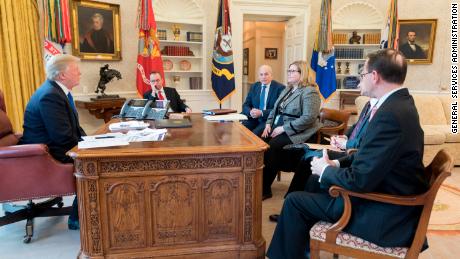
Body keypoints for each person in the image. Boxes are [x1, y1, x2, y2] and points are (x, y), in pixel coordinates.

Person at [267, 49, 429, 259]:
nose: (361, 79)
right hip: (383, 191)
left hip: (384, 213)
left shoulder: (390, 115)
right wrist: (335, 166)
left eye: (362, 74)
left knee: (295, 202)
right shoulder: (399, 104)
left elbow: (360, 180)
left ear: (375, 76)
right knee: (314, 181)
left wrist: (325, 170)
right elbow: (369, 156)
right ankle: (303, 246)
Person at [20, 54, 86, 230]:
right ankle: (77, 218)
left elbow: (73, 130)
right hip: (45, 154)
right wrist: (88, 150)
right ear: (62, 75)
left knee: (98, 156)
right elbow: (62, 137)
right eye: (75, 69)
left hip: (53, 147)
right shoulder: (51, 95)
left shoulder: (57, 91)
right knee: (94, 164)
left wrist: (90, 141)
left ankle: (82, 213)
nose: (80, 72)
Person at [261, 61, 321, 200]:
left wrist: (284, 128)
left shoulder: (310, 91)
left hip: (300, 132)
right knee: (259, 142)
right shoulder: (288, 89)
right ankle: (261, 183)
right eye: (289, 70)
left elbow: (309, 118)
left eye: (293, 71)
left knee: (272, 147)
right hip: (279, 126)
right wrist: (268, 124)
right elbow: (275, 110)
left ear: (303, 73)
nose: (289, 73)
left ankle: (264, 189)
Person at [241, 65, 285, 136]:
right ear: (259, 76)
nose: (263, 77)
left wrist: (262, 113)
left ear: (271, 75)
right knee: (241, 129)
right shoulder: (255, 86)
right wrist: (250, 112)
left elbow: (279, 109)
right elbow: (246, 105)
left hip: (268, 120)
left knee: (255, 135)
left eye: (266, 74)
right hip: (253, 118)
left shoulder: (280, 88)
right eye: (261, 74)